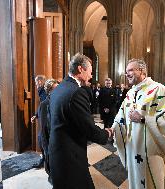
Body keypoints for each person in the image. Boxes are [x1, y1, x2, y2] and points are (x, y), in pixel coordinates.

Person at [112, 59, 165, 189]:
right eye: (126, 71)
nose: (127, 74)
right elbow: (120, 117)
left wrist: (144, 119)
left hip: (151, 151)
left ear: (142, 71)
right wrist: (113, 130)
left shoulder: (159, 90)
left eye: (131, 70)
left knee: (152, 183)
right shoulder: (130, 93)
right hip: (133, 150)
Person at [48, 53, 113, 189]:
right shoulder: (76, 92)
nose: (91, 76)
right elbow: (89, 128)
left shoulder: (59, 88)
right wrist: (107, 133)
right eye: (89, 72)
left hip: (57, 152)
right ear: (80, 69)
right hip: (70, 157)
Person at [31, 79, 58, 171]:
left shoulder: (58, 101)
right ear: (49, 91)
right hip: (48, 137)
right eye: (56, 88)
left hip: (57, 138)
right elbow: (43, 128)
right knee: (49, 158)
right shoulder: (45, 103)